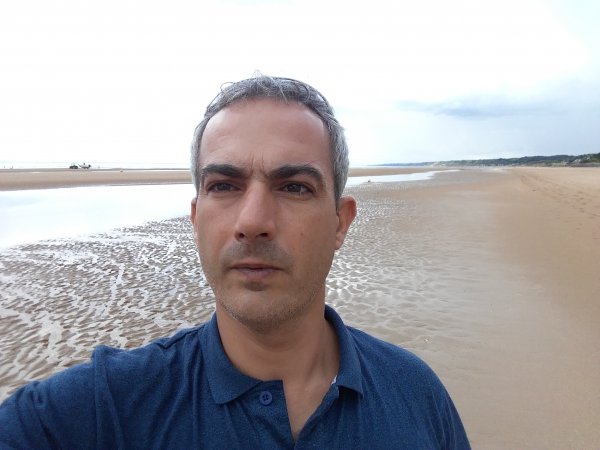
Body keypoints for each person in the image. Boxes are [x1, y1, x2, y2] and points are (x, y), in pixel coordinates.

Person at [0, 75, 470, 449]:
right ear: (196, 218)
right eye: (224, 186)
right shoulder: (103, 409)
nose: (253, 221)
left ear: (339, 223)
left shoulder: (415, 393)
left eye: (294, 187)